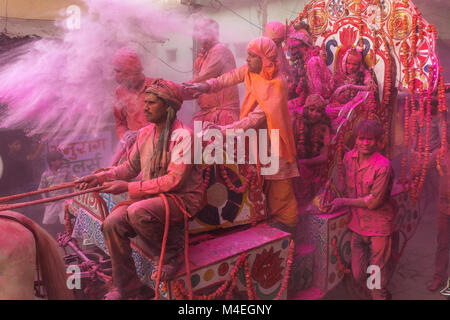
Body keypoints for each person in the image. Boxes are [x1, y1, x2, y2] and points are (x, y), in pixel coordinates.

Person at [76, 79, 204, 300]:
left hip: (181, 199)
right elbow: (129, 167)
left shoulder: (184, 136)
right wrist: (99, 178)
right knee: (111, 224)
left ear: (168, 107)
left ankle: (171, 255)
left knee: (137, 212)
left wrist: (128, 187)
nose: (144, 108)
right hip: (154, 196)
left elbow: (174, 181)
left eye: (151, 103)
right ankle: (127, 287)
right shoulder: (145, 133)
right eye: (145, 102)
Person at [185, 37, 299, 234]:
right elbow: (227, 78)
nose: (247, 60)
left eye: (253, 56)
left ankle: (288, 225)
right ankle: (267, 218)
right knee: (259, 181)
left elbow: (254, 118)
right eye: (247, 55)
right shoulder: (249, 71)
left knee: (280, 185)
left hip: (273, 141)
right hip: (254, 138)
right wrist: (206, 86)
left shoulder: (277, 84)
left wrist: (224, 130)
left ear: (266, 59)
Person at [327, 120, 396, 300]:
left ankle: (380, 294)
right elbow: (344, 185)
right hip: (357, 225)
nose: (366, 143)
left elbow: (373, 202)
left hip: (378, 227)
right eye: (362, 138)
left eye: (370, 139)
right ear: (356, 140)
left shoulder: (383, 166)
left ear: (378, 141)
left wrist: (343, 202)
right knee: (358, 274)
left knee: (376, 276)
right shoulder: (349, 159)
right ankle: (381, 292)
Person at [183, 18, 240, 125]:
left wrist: (175, 90)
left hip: (223, 115)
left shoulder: (220, 50)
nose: (201, 36)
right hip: (205, 113)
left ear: (215, 33)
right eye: (199, 32)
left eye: (205, 32)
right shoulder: (200, 58)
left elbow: (204, 77)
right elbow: (195, 88)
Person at [112, 47, 156, 164]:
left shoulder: (157, 87)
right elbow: (120, 123)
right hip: (133, 148)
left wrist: (141, 134)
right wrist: (124, 137)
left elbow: (168, 122)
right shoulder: (119, 92)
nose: (124, 84)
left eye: (125, 77)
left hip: (158, 146)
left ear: (136, 73)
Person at [292, 94, 332, 206]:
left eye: (318, 111)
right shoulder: (296, 122)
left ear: (323, 113)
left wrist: (304, 163)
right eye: (311, 109)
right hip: (294, 162)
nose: (314, 114)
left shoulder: (324, 128)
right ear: (305, 109)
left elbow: (324, 157)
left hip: (312, 166)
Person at [286, 31, 334, 112]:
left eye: (294, 48)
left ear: (304, 47)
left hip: (318, 103)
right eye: (290, 48)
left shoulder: (313, 62)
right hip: (308, 99)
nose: (291, 51)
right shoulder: (303, 62)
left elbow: (318, 93)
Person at [427, 124, 449, 292]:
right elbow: (422, 165)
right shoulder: (440, 154)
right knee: (442, 244)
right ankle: (439, 278)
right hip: (444, 208)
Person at [327, 47, 372, 121]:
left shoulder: (364, 73)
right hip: (334, 105)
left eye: (354, 64)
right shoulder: (341, 73)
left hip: (349, 110)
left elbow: (370, 88)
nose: (350, 67)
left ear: (360, 64)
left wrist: (349, 86)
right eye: (348, 63)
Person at [38, 150, 74, 237]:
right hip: (52, 201)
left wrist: (72, 198)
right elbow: (40, 188)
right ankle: (52, 239)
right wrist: (45, 199)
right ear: (51, 162)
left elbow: (72, 184)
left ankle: (70, 238)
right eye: (57, 160)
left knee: (67, 221)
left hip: (64, 200)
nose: (59, 162)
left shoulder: (66, 171)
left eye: (60, 159)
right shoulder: (45, 174)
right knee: (47, 222)